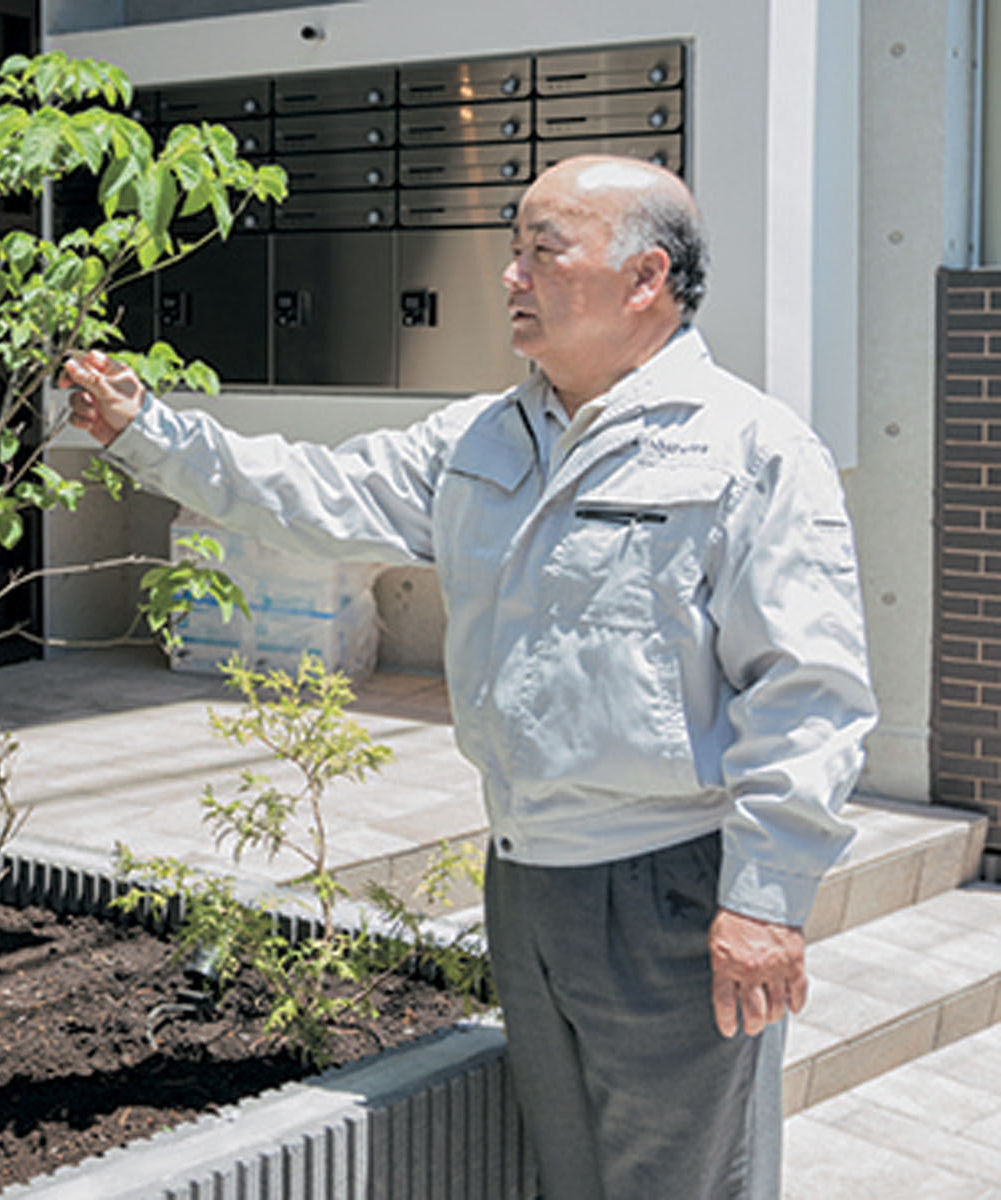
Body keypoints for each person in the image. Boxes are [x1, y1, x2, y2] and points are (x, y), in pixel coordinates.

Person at [62, 155, 876, 1199]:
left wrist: (765, 899)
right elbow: (312, 493)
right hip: (523, 877)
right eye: (513, 248)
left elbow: (806, 689)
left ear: (645, 279)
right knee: (570, 1173)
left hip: (667, 884)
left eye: (544, 250)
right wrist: (149, 434)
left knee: (687, 1183)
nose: (509, 276)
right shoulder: (482, 437)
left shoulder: (748, 449)